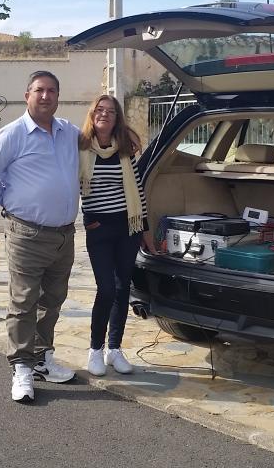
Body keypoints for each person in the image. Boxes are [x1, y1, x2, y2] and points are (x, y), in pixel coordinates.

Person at [0, 70, 80, 403]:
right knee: (23, 302)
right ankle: (21, 367)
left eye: (51, 91)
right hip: (27, 234)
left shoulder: (68, 132)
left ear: (58, 96)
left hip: (63, 235)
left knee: (52, 301)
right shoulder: (12, 135)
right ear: (27, 95)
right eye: (39, 90)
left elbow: (101, 142)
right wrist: (3, 200)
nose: (45, 96)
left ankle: (41, 359)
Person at [78, 94, 155, 377]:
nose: (105, 114)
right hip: (99, 229)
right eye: (100, 110)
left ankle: (114, 348)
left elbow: (138, 190)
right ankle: (95, 349)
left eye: (111, 111)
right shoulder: (81, 147)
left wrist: (144, 229)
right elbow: (71, 184)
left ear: (117, 118)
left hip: (127, 228)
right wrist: (88, 219)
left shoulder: (125, 148)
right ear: (92, 114)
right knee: (107, 289)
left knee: (123, 289)